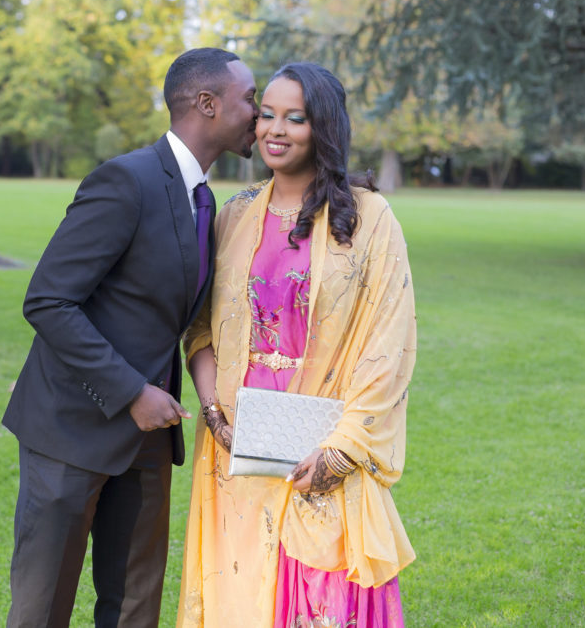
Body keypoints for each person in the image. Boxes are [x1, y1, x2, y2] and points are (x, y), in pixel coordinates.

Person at [1, 47, 259, 628]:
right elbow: (48, 299)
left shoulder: (204, 199)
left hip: (147, 439)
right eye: (250, 99)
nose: (258, 112)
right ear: (207, 104)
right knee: (43, 609)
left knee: (135, 608)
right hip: (71, 428)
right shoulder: (127, 180)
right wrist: (130, 392)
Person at [176, 63, 417, 627]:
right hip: (236, 444)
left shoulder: (369, 219)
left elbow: (390, 344)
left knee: (317, 601)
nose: (274, 130)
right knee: (239, 596)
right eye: (266, 114)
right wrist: (213, 411)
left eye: (295, 118)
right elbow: (200, 326)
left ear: (323, 127)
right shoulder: (233, 215)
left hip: (323, 442)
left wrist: (343, 449)